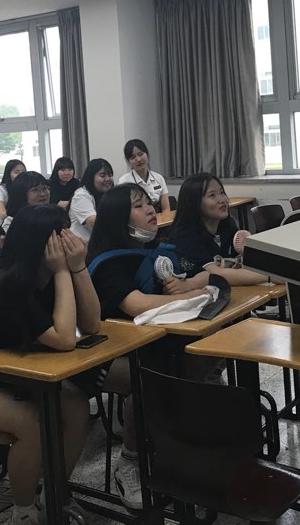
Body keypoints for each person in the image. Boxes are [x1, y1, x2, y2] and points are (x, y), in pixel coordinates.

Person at [0, 205, 100, 525]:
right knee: (32, 424)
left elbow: (92, 324)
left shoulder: (47, 273)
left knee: (77, 408)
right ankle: (23, 512)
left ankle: (54, 494)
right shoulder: (7, 283)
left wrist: (77, 267)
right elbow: (65, 339)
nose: (71, 240)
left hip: (14, 372)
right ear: (41, 244)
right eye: (62, 235)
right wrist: (62, 271)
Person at [85, 184, 214, 509]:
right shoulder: (107, 262)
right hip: (104, 353)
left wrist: (189, 284)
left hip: (153, 344)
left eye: (149, 203)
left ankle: (181, 447)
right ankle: (130, 462)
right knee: (149, 377)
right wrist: (192, 295)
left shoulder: (157, 249)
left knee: (197, 356)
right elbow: (137, 305)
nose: (150, 209)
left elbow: (199, 274)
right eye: (138, 206)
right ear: (118, 218)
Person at [169, 173, 270, 286]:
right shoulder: (184, 237)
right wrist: (269, 276)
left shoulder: (227, 225)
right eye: (212, 195)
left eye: (222, 193)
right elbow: (215, 274)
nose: (222, 200)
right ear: (194, 203)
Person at [118, 139, 171, 213]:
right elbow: (124, 211)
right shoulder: (124, 182)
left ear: (147, 154)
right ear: (128, 162)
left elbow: (166, 208)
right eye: (133, 157)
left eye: (141, 154)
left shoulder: (159, 178)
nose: (138, 159)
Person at [69, 158, 114, 243]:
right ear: (91, 177)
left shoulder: (106, 195)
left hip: (99, 243)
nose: (108, 179)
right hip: (81, 245)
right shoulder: (81, 196)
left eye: (110, 175)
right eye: (102, 176)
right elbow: (95, 223)